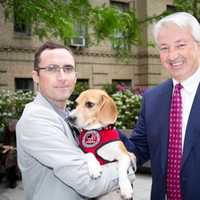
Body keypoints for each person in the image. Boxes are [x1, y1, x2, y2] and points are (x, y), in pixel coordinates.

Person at [16, 41, 134, 200]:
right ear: (36, 76)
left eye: (68, 69)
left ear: (75, 77)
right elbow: (89, 182)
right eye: (51, 69)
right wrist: (128, 165)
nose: (62, 77)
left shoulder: (70, 116)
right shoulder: (36, 119)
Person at [120, 12, 200, 200]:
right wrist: (104, 133)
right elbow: (138, 148)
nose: (172, 55)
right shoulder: (152, 98)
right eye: (164, 48)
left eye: (181, 45)